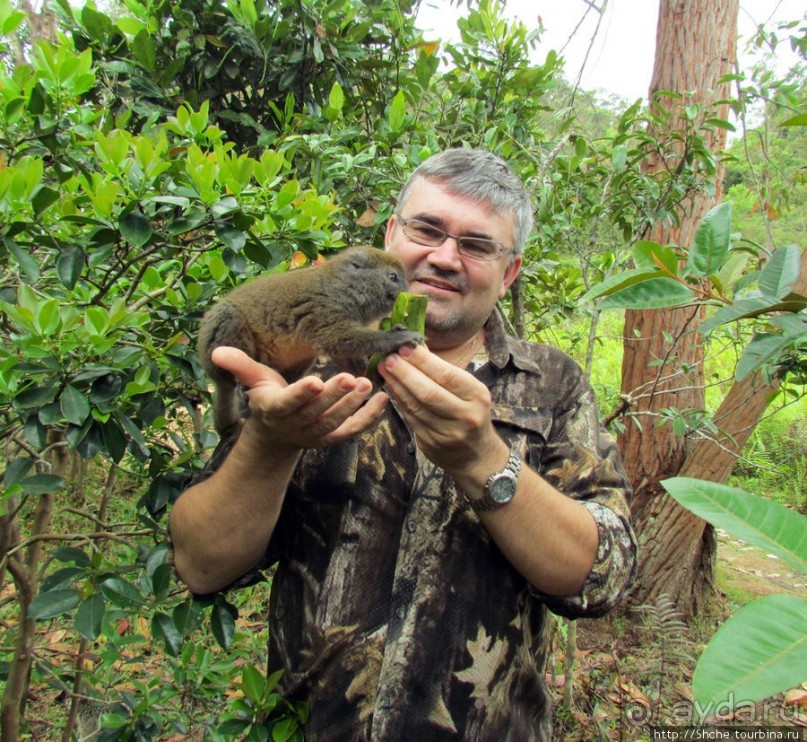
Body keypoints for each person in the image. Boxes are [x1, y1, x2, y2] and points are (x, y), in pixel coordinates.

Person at [170, 148, 637, 741]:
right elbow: (200, 564)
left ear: (509, 271)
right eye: (427, 229)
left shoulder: (553, 382)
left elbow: (606, 577)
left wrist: (486, 462)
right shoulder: (296, 358)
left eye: (476, 244)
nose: (444, 257)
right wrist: (268, 442)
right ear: (391, 234)